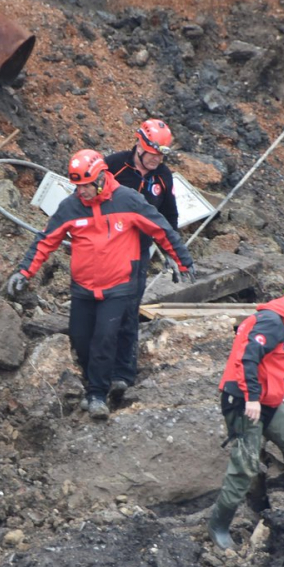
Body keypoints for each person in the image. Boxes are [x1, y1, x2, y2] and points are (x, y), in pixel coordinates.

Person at [6, 149, 196, 420]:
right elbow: (46, 240)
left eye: (85, 186)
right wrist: (24, 272)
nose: (80, 191)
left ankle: (97, 394)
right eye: (77, 186)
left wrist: (183, 261)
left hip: (119, 286)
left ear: (100, 179)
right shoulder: (70, 207)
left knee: (105, 339)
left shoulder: (128, 201)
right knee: (81, 339)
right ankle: (94, 384)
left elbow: (162, 229)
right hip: (83, 288)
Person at [207, 284, 284, 550]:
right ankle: (218, 526)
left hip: (268, 404)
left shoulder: (276, 322)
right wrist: (251, 398)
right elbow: (249, 358)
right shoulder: (271, 322)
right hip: (245, 403)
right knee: (245, 465)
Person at [104, 119, 179, 398]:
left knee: (128, 310)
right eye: (152, 154)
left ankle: (123, 373)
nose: (156, 161)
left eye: (161, 156)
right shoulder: (113, 166)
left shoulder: (163, 176)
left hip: (138, 253)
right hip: (105, 250)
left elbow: (169, 215)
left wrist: (172, 252)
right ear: (139, 145)